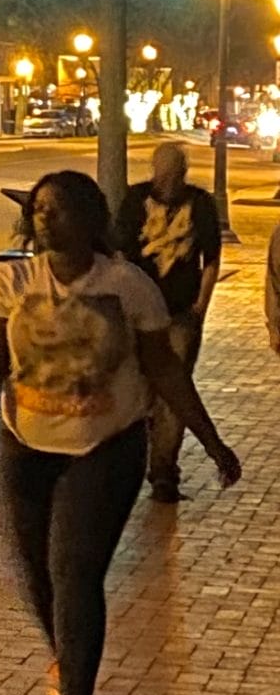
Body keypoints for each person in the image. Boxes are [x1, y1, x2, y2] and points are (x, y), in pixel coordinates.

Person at [0, 168, 240, 695]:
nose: (44, 218)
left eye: (57, 209)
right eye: (38, 209)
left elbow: (163, 369)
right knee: (37, 571)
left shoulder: (127, 286)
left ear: (89, 219)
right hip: (26, 444)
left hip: (105, 447)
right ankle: (69, 654)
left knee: (74, 570)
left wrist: (211, 441)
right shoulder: (9, 283)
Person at [113, 141, 224, 501]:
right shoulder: (136, 200)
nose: (168, 180)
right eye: (163, 172)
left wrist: (200, 306)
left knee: (175, 391)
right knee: (138, 385)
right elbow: (120, 251)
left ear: (184, 172)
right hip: (139, 311)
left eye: (175, 173)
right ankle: (133, 461)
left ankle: (163, 471)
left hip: (179, 312)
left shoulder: (200, 204)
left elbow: (211, 258)